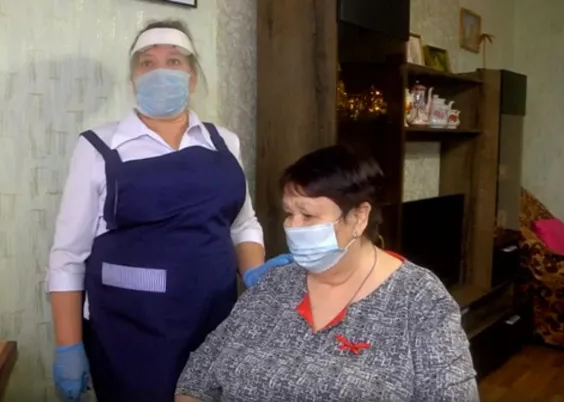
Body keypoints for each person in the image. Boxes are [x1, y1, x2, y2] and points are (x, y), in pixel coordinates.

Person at [47, 19, 291, 402]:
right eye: (147, 62)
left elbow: (242, 224)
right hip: (130, 334)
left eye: (174, 61)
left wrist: (254, 273)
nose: (160, 71)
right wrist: (68, 344)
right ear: (133, 79)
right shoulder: (98, 147)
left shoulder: (223, 142)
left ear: (192, 77)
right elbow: (67, 257)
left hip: (216, 322)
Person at [175, 145, 479, 402]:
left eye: (308, 215)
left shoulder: (420, 299)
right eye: (290, 213)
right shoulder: (275, 284)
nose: (293, 227)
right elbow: (196, 379)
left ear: (359, 217)